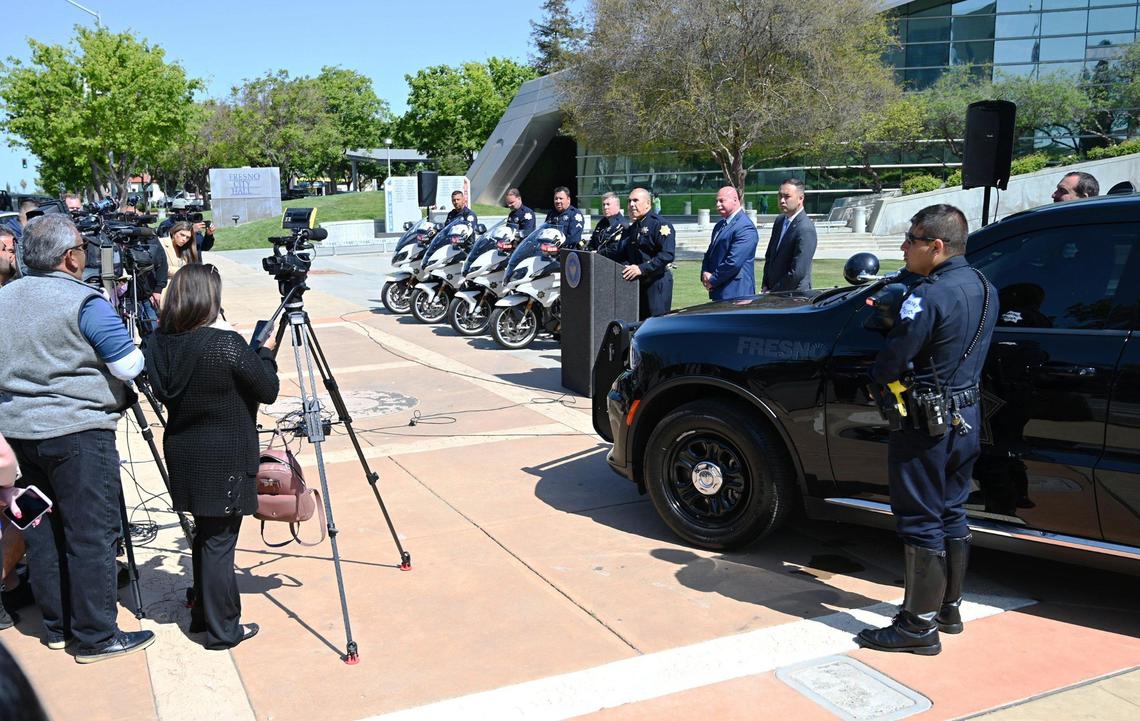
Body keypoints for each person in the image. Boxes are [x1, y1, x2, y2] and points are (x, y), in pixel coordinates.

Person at [0, 213, 155, 663]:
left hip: (20, 434)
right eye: (83, 249)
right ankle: (95, 636)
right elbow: (129, 366)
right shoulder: (83, 301)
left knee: (42, 530)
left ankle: (56, 626)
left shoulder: (5, 298)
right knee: (91, 534)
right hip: (78, 432)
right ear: (70, 257)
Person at [856, 204, 997, 656]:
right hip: (966, 416)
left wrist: (884, 331)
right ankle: (948, 608)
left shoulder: (927, 295)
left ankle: (917, 627)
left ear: (936, 247)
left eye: (912, 240)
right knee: (953, 511)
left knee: (920, 518)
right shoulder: (985, 286)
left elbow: (892, 363)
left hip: (926, 423)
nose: (904, 247)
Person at [144, 264, 280, 650]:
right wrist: (266, 355)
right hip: (224, 457)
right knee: (220, 543)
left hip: (185, 453)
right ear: (209, 300)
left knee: (207, 536)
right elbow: (267, 390)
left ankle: (205, 614)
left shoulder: (156, 343)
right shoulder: (225, 344)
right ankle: (224, 630)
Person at [616, 188, 675, 319]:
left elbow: (667, 255)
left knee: (656, 327)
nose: (631, 205)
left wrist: (641, 269)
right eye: (629, 201)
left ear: (648, 203)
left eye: (636, 201)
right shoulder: (631, 229)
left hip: (656, 283)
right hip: (636, 285)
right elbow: (623, 255)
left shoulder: (660, 225)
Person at [702, 186, 759, 301]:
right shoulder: (720, 225)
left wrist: (712, 280)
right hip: (720, 291)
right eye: (716, 201)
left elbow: (733, 262)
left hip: (737, 294)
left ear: (735, 199)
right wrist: (705, 272)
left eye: (722, 201)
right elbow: (710, 253)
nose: (717, 204)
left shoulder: (745, 227)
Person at [761, 178, 817, 292]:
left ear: (800, 198)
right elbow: (770, 257)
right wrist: (765, 284)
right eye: (780, 196)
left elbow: (797, 272)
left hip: (794, 296)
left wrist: (774, 292)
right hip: (772, 293)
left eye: (787, 196)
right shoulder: (780, 221)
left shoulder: (805, 228)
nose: (782, 200)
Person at [586, 191, 628, 260]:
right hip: (596, 262)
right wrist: (588, 251)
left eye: (608, 204)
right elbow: (592, 241)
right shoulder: (602, 222)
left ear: (617, 206)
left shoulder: (622, 225)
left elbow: (615, 249)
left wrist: (597, 253)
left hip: (613, 264)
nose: (605, 207)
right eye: (603, 204)